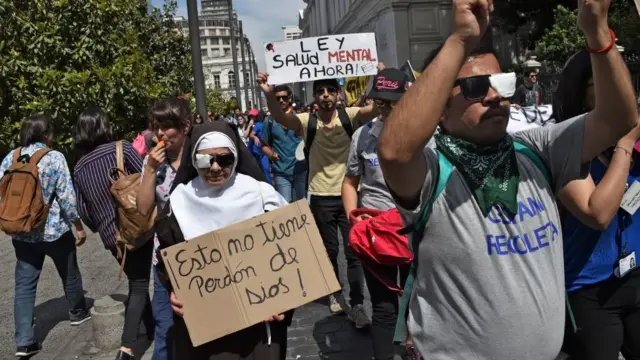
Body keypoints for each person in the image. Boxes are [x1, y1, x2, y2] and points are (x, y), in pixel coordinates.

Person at [377, 0, 638, 358]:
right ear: (439, 107)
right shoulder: (433, 168)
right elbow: (394, 152)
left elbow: (619, 118)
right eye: (474, 87)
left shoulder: (536, 148)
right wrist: (459, 40)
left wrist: (597, 30)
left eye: (502, 82)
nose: (494, 96)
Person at [160, 121, 292, 360]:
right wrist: (173, 290)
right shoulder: (179, 203)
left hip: (259, 326)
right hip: (208, 329)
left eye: (224, 159)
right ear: (192, 159)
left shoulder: (262, 196)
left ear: (236, 157)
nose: (214, 167)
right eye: (204, 160)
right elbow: (167, 262)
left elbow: (291, 254)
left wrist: (285, 299)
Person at [257, 72, 378, 327]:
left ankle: (357, 303)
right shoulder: (305, 121)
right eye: (321, 91)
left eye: (330, 91)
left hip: (350, 196)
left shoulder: (351, 116)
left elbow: (377, 107)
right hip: (321, 196)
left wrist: (380, 75)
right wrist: (268, 94)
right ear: (314, 97)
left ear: (338, 95)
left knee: (354, 251)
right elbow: (280, 117)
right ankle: (335, 292)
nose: (325, 96)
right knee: (330, 250)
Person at [553, 49, 640, 360]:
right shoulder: (563, 145)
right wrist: (625, 146)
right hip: (589, 289)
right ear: (579, 93)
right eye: (602, 85)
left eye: (625, 82)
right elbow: (598, 213)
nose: (621, 92)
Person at [0, 114, 90, 358]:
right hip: (54, 232)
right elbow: (67, 198)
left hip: (22, 232)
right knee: (69, 271)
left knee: (25, 284)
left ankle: (24, 341)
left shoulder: (11, 156)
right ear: (47, 134)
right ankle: (77, 312)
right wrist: (78, 226)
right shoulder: (54, 157)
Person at [342, 68, 413, 360]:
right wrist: (353, 218)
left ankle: (413, 348)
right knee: (383, 307)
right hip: (376, 233)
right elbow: (349, 183)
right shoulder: (362, 136)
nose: (385, 108)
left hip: (414, 229)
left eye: (392, 101)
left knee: (415, 300)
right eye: (380, 102)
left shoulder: (422, 133)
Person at [73, 106, 154, 360]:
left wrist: (102, 225)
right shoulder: (122, 148)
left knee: (136, 279)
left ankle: (151, 328)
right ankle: (127, 348)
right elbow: (147, 178)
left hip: (112, 238)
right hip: (137, 226)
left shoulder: (79, 167)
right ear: (103, 125)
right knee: (140, 284)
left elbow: (82, 209)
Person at [136, 98, 191, 360]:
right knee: (165, 328)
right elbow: (144, 208)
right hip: (165, 261)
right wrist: (149, 169)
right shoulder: (154, 166)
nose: (161, 133)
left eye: (167, 127)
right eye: (157, 126)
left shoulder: (201, 159)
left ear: (185, 127)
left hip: (201, 255)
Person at [261, 85, 308, 202]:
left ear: (290, 99)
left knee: (303, 205)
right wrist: (271, 154)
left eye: (284, 97)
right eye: (277, 98)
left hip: (301, 170)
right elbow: (263, 146)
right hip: (281, 173)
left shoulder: (300, 118)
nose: (281, 100)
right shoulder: (269, 121)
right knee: (285, 205)